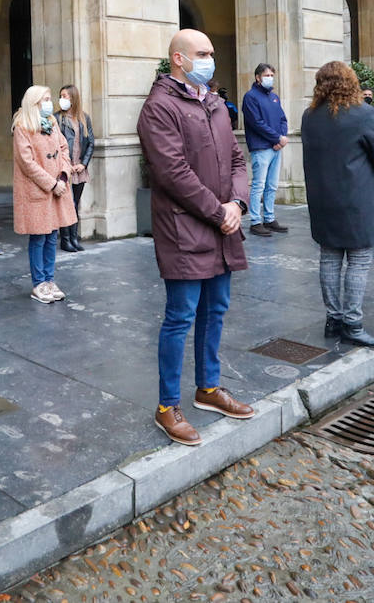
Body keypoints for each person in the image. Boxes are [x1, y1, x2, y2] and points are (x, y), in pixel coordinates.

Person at [138, 29, 253, 447]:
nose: (210, 59)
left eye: (211, 52)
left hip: (221, 224)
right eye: (202, 53)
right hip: (185, 227)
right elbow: (172, 172)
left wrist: (238, 204)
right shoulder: (160, 107)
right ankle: (168, 405)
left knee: (216, 309)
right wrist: (217, 210)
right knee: (181, 316)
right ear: (179, 59)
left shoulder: (215, 103)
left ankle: (208, 388)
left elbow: (237, 158)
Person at [300, 62, 374, 347]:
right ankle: (352, 324)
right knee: (359, 259)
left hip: (322, 197)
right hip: (356, 198)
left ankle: (334, 319)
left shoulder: (309, 115)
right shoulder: (362, 113)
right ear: (350, 83)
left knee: (329, 257)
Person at [12, 85, 77, 302]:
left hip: (56, 189)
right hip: (38, 190)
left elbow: (64, 149)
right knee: (38, 237)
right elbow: (27, 163)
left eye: (50, 98)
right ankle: (38, 283)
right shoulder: (22, 126)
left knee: (52, 236)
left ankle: (49, 280)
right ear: (34, 102)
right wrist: (51, 184)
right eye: (46, 99)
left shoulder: (52, 122)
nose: (50, 103)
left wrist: (64, 176)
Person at [241, 63, 290, 237]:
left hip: (275, 147)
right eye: (267, 75)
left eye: (272, 75)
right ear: (258, 77)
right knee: (258, 185)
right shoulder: (250, 97)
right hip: (261, 148)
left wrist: (282, 138)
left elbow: (282, 119)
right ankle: (255, 221)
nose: (270, 78)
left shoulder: (274, 97)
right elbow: (256, 123)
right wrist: (277, 138)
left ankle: (269, 218)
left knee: (271, 185)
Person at [57, 84, 94, 252]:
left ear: (73, 98)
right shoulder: (57, 119)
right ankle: (65, 240)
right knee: (67, 204)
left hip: (80, 168)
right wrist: (67, 165)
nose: (62, 99)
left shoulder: (84, 118)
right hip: (65, 169)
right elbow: (56, 145)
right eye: (61, 96)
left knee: (75, 203)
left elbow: (91, 143)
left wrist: (83, 164)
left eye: (65, 96)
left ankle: (74, 237)